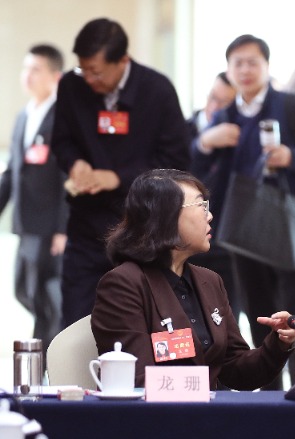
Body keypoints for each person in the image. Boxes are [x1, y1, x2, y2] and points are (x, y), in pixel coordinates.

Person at [190, 35, 295, 390]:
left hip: (293, 226)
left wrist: (291, 157)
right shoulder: (226, 115)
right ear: (228, 70)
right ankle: (269, 394)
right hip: (244, 227)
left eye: (252, 62)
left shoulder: (292, 106)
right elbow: (197, 170)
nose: (245, 70)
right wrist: (206, 140)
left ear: (267, 66)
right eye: (237, 63)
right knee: (259, 313)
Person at [91, 169, 295, 390]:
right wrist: (203, 388)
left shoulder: (210, 281)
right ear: (166, 216)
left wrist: (279, 343)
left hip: (205, 409)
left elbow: (236, 371)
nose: (209, 216)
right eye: (201, 206)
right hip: (157, 412)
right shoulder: (123, 285)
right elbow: (136, 380)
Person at [51, 18, 190, 328]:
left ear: (123, 61)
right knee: (76, 320)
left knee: (142, 322)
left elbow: (176, 160)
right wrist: (75, 163)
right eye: (83, 69)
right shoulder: (72, 86)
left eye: (96, 71)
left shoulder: (157, 90)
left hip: (141, 230)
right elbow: (61, 140)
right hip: (86, 227)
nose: (89, 79)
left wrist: (118, 178)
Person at [0, 44, 68, 357]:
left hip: (49, 226)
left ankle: (46, 363)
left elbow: (68, 178)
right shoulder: (23, 115)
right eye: (25, 68)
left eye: (36, 69)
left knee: (45, 296)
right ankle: (43, 356)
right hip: (25, 223)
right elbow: (12, 171)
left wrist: (63, 229)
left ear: (55, 76)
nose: (27, 75)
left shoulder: (63, 119)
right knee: (23, 291)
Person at [186, 72, 242, 322]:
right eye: (212, 98)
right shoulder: (186, 128)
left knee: (226, 314)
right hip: (187, 237)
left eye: (223, 103)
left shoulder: (239, 135)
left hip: (227, 239)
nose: (214, 107)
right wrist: (204, 143)